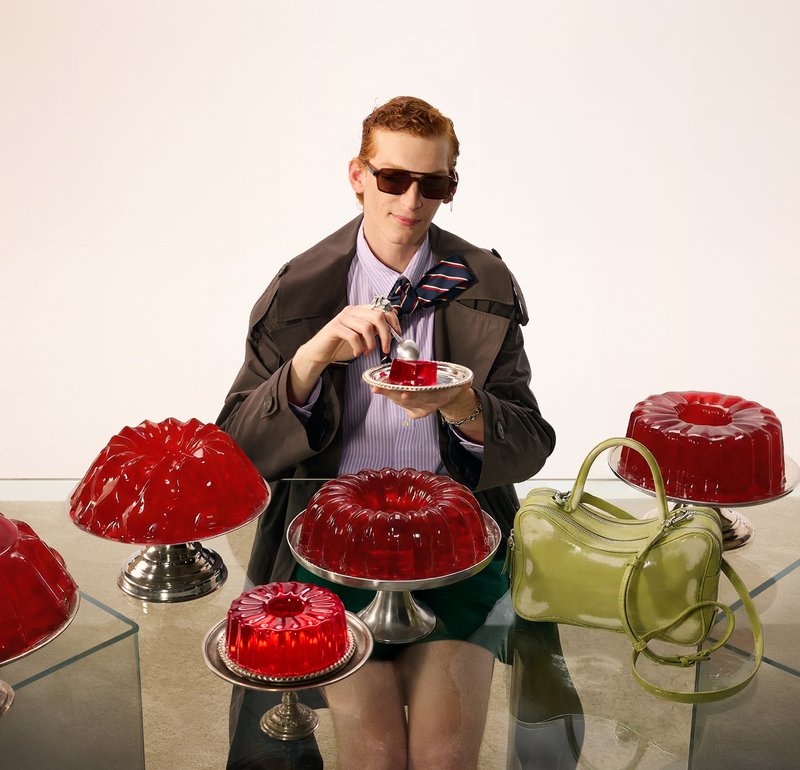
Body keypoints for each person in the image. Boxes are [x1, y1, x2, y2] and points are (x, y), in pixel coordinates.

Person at [217, 96, 560, 769]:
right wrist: (308, 363)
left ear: (451, 187)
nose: (411, 200)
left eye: (433, 184)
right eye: (393, 178)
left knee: (443, 756)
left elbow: (530, 441)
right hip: (331, 542)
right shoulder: (299, 290)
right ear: (358, 175)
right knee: (374, 752)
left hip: (458, 538)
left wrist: (463, 405)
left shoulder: (482, 282)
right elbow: (237, 451)